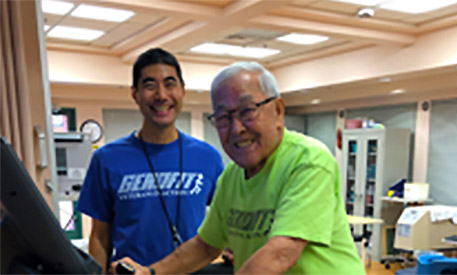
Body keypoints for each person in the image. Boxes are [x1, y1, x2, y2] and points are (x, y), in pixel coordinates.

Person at [112, 62, 364, 274]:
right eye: (223, 117)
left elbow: (281, 253)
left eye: (247, 111)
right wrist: (152, 272)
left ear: (277, 111)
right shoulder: (231, 177)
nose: (236, 128)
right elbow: (205, 246)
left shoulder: (308, 160)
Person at [77, 48, 224, 272]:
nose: (161, 95)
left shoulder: (208, 157)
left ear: (182, 90)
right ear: (135, 93)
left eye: (170, 83)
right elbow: (100, 236)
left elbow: (227, 221)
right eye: (149, 85)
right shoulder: (106, 159)